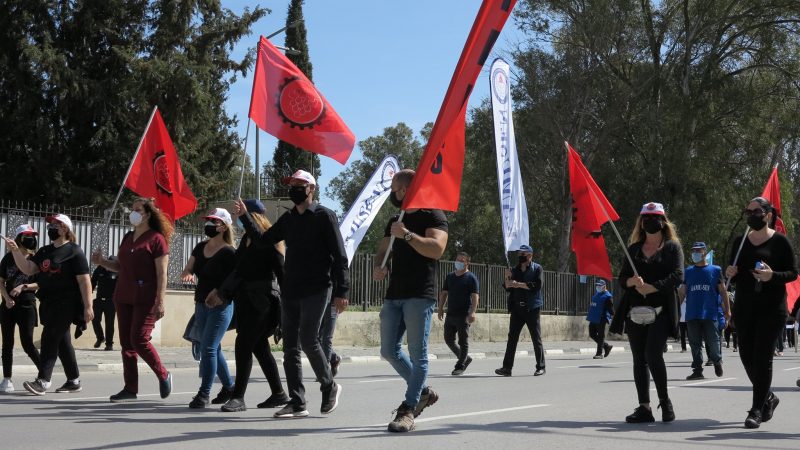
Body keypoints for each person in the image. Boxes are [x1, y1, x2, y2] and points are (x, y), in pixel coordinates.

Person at [233, 169, 349, 419]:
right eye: (291, 184)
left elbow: (340, 256)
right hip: (291, 290)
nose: (294, 188)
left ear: (311, 189)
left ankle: (329, 387)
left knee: (309, 340)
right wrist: (245, 217)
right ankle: (297, 402)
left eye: (299, 184)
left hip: (318, 288)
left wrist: (342, 291)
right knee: (290, 348)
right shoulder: (288, 220)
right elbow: (264, 240)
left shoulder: (324, 216)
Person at [373, 168, 448, 433]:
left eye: (394, 188)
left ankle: (408, 409)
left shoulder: (434, 215)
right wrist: (379, 267)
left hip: (420, 294)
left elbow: (436, 249)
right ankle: (424, 391)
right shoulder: (395, 218)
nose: (392, 193)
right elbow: (383, 251)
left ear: (405, 189)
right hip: (394, 294)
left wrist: (406, 234)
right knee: (388, 350)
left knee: (418, 355)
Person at [725, 196, 797, 428]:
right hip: (745, 307)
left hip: (771, 308)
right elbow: (734, 275)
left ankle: (756, 409)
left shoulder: (780, 242)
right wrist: (731, 273)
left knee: (763, 357)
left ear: (768, 214)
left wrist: (772, 276)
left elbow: (793, 274)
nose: (752, 215)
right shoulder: (740, 242)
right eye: (748, 212)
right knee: (746, 356)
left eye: (757, 212)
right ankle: (768, 397)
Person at [92, 198, 173, 403]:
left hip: (146, 297)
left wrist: (160, 301)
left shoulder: (156, 239)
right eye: (132, 209)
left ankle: (163, 374)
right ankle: (130, 388)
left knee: (139, 339)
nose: (133, 213)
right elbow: (120, 267)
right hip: (123, 295)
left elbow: (162, 274)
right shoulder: (128, 237)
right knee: (127, 344)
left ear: (147, 214)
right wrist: (102, 262)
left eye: (137, 210)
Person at [3, 214, 94, 395]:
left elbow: (84, 281)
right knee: (62, 342)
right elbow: (28, 269)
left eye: (55, 224)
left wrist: (88, 305)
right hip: (48, 302)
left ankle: (43, 381)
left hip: (66, 302)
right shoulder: (45, 251)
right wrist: (14, 250)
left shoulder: (74, 251)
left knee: (50, 337)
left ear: (65, 229)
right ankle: (73, 380)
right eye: (51, 224)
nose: (51, 227)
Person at [609, 202, 682, 423]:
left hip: (659, 312)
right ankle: (644, 407)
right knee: (639, 359)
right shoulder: (633, 249)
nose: (650, 221)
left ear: (663, 221)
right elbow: (622, 279)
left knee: (653, 354)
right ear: (641, 222)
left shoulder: (672, 248)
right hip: (635, 313)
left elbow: (678, 275)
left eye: (655, 217)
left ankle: (665, 401)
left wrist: (654, 286)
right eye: (646, 218)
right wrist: (631, 281)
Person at [218, 199, 289, 412]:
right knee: (259, 347)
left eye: (243, 216)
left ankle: (238, 397)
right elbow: (238, 269)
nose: (240, 221)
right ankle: (279, 394)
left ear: (253, 217)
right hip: (246, 300)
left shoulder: (267, 241)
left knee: (243, 344)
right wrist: (221, 291)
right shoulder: (247, 240)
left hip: (263, 302)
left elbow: (281, 273)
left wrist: (288, 307)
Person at [180, 208, 236, 409]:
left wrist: (219, 292)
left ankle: (204, 393)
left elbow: (235, 280)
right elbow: (189, 268)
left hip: (221, 306)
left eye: (214, 221)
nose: (210, 224)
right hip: (201, 304)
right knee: (212, 347)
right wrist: (187, 274)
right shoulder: (200, 247)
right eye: (208, 220)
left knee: (208, 348)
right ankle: (229, 386)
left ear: (224, 226)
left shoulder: (230, 252)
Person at [679, 242, 729, 380]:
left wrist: (727, 310)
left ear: (704, 253)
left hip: (709, 313)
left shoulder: (715, 270)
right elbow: (682, 291)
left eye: (698, 250)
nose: (695, 253)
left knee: (713, 341)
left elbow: (723, 291)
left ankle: (717, 361)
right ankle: (697, 370)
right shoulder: (688, 271)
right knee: (694, 344)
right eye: (693, 250)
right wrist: (676, 307)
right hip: (692, 313)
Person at [0, 224, 42, 393]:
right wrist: (7, 298)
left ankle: (44, 375)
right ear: (19, 239)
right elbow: (1, 281)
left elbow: (40, 283)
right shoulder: (7, 259)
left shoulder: (36, 259)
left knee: (27, 343)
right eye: (27, 236)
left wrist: (24, 286)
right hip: (8, 306)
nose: (31, 239)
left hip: (27, 304)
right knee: (7, 343)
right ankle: (7, 379)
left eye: (33, 235)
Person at [495, 244, 546, 377]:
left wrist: (519, 285)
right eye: (519, 255)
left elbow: (537, 286)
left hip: (532, 308)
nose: (520, 257)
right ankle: (507, 368)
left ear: (530, 255)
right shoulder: (514, 270)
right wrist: (507, 277)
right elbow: (508, 287)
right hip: (517, 308)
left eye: (523, 255)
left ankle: (540, 367)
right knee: (512, 338)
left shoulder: (537, 269)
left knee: (536, 338)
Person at [437, 252, 480, 375]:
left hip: (463, 315)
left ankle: (460, 365)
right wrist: (440, 308)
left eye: (462, 260)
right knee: (448, 339)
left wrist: (472, 312)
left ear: (467, 263)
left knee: (463, 341)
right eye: (457, 260)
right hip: (450, 314)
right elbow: (444, 293)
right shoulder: (450, 276)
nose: (459, 262)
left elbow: (475, 297)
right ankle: (465, 358)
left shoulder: (471, 278)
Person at [91, 256, 118, 351]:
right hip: (98, 300)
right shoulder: (99, 269)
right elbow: (92, 282)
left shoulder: (118, 272)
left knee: (109, 323)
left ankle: (109, 344)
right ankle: (100, 337)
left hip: (111, 302)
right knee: (94, 319)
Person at [586, 279, 614, 359]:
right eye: (597, 285)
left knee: (601, 336)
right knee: (592, 334)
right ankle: (606, 346)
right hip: (593, 318)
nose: (597, 287)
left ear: (604, 286)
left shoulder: (608, 297)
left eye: (599, 285)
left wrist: (613, 319)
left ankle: (599, 353)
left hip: (601, 318)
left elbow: (611, 310)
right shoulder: (596, 295)